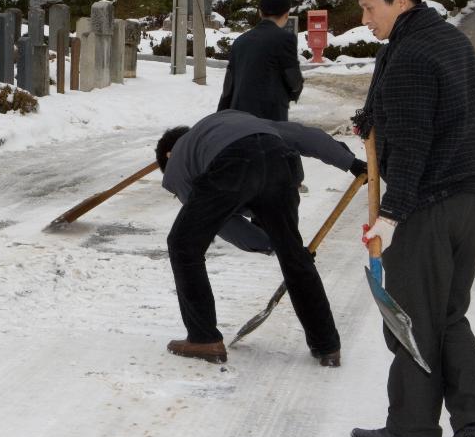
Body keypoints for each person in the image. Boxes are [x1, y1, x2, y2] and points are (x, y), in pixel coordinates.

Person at [350, 0, 475, 437]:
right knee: (449, 315)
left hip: (428, 205)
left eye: (370, 8)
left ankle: (412, 426)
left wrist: (389, 216)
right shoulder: (446, 42)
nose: (365, 19)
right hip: (468, 199)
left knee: (410, 317)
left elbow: (412, 143)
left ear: (401, 1)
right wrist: (371, 119)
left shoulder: (411, 55)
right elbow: (433, 111)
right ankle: (473, 424)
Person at [156, 109, 367, 366]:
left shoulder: (179, 162)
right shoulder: (230, 121)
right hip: (279, 161)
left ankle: (203, 339)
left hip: (232, 165)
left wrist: (267, 244)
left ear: (169, 154)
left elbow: (225, 225)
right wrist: (350, 163)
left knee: (183, 244)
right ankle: (327, 347)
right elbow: (303, 135)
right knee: (294, 257)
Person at [217, 0, 304, 121]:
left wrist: (219, 119)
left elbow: (228, 88)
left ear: (259, 12)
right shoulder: (285, 39)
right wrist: (294, 93)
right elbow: (294, 81)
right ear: (286, 14)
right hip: (269, 119)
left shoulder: (240, 41)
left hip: (238, 119)